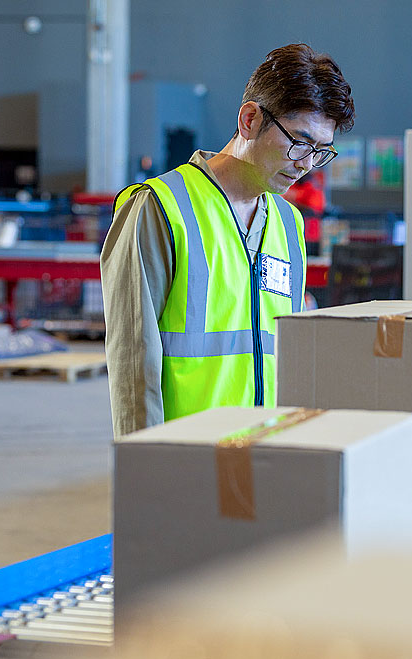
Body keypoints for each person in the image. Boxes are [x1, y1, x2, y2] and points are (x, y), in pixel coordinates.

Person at [101, 44, 355, 438]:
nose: (306, 163)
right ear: (250, 119)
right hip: (186, 454)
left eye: (321, 152)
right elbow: (133, 360)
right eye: (300, 142)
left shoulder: (289, 223)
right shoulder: (161, 207)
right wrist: (144, 461)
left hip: (266, 451)